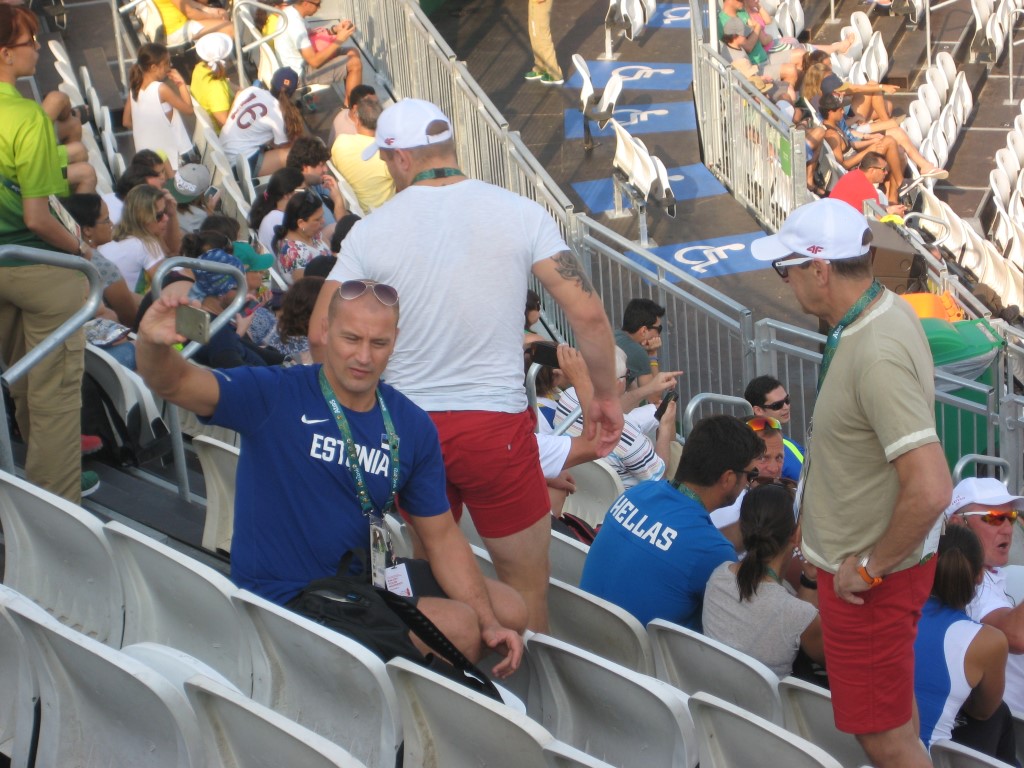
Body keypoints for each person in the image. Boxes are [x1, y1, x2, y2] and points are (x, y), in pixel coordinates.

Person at [309, 98, 623, 633]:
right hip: (495, 429)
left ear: (400, 157)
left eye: (386, 162)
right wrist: (605, 398)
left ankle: (459, 686)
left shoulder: (371, 230)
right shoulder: (520, 210)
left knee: (441, 582)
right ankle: (534, 706)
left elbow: (321, 334)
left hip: (409, 427)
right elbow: (589, 316)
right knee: (526, 588)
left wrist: (357, 409)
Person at [136, 279, 525, 675]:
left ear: (396, 341)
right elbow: (177, 383)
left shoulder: (410, 424)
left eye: (378, 343)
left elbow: (441, 536)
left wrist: (490, 622)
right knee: (458, 627)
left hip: (364, 578)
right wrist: (152, 345)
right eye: (351, 338)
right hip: (289, 597)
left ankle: (408, 690)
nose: (363, 357)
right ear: (325, 330)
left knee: (509, 609)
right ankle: (387, 718)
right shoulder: (277, 394)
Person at [751, 197, 952, 768]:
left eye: (786, 268)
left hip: (867, 583)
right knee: (894, 718)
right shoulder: (881, 314)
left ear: (819, 268)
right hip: (874, 573)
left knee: (881, 738)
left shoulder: (876, 349)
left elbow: (932, 488)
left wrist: (866, 567)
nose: (786, 282)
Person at [0, 5, 97, 501]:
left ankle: (36, 497)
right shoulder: (24, 118)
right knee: (54, 397)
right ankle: (58, 515)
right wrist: (83, 251)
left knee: (22, 386)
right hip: (37, 265)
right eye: (29, 41)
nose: (37, 48)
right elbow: (39, 218)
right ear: (5, 53)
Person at [579, 414, 763, 629]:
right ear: (728, 478)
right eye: (751, 475)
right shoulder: (712, 550)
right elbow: (743, 628)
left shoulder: (636, 494)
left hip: (586, 643)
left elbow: (679, 547)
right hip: (641, 661)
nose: (750, 483)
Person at [703, 482, 824, 679]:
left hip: (713, 699)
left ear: (743, 527)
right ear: (796, 534)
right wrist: (812, 581)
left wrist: (809, 580)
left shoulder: (718, 576)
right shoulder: (797, 613)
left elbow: (790, 617)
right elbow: (831, 660)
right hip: (767, 709)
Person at [914, 524, 1012, 761]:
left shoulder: (885, 614)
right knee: (1000, 715)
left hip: (857, 751)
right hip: (923, 759)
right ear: (979, 576)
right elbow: (982, 712)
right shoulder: (988, 641)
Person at [945, 478, 1024, 714]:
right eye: (993, 517)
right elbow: (1017, 637)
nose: (1007, 529)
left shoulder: (994, 574)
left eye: (1010, 518)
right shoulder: (965, 583)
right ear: (959, 524)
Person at [554, 347, 675, 489]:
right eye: (627, 375)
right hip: (621, 503)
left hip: (577, 495)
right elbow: (659, 477)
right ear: (617, 382)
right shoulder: (628, 436)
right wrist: (665, 427)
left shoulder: (567, 396)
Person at [710, 415, 791, 551]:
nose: (774, 468)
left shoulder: (787, 497)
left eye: (779, 457)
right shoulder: (722, 506)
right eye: (763, 458)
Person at [123, 43, 195, 171]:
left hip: (146, 158)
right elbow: (189, 110)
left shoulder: (135, 88)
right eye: (166, 63)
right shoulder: (161, 89)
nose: (169, 66)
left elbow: (126, 121)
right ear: (154, 67)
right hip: (171, 158)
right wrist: (181, 84)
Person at [220, 68, 303, 177]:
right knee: (292, 154)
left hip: (221, 151)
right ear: (293, 92)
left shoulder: (251, 90)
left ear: (272, 82)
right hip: (239, 166)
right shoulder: (280, 113)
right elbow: (282, 147)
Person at [272, 0, 361, 100]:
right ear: (306, 3)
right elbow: (314, 62)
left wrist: (334, 30)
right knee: (354, 63)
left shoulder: (292, 12)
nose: (319, 8)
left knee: (353, 51)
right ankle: (351, 110)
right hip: (299, 74)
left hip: (300, 62)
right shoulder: (295, 24)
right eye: (317, 4)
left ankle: (349, 103)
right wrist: (339, 40)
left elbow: (312, 37)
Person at [98, 184, 178, 294]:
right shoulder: (146, 244)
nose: (166, 218)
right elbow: (168, 287)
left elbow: (172, 251)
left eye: (166, 212)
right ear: (143, 217)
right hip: (132, 308)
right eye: (159, 216)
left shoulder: (113, 236)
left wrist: (172, 214)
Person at [330, 94, 395, 212]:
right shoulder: (386, 156)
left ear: (357, 120)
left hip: (363, 211)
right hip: (387, 211)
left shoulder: (340, 142)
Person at [743, 374, 804, 482]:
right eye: (777, 405)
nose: (785, 407)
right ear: (758, 410)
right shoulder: (780, 445)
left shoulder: (786, 443)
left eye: (787, 400)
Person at [272, 189, 332, 284]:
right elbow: (307, 289)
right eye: (317, 219)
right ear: (301, 223)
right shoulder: (294, 253)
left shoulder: (312, 233)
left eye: (322, 216)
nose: (323, 221)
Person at [285, 136, 347, 228]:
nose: (325, 169)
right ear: (305, 167)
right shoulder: (304, 202)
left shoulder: (310, 183)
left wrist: (334, 190)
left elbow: (330, 192)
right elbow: (342, 231)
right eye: (321, 165)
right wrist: (338, 201)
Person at [830, 152, 907, 217]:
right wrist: (894, 214)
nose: (886, 172)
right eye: (883, 169)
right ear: (872, 170)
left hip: (833, 216)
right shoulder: (868, 190)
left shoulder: (851, 175)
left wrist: (889, 209)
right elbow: (878, 221)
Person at [249, 166, 304, 253]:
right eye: (303, 190)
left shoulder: (272, 213)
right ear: (287, 194)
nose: (307, 194)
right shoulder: (282, 220)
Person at [615, 298, 664, 391]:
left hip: (582, 398)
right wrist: (652, 354)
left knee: (632, 386)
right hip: (594, 403)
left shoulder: (615, 335)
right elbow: (653, 397)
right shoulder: (638, 353)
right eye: (659, 329)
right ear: (644, 331)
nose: (659, 335)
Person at [190, 32, 235, 127]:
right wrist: (238, 99)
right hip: (227, 133)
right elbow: (225, 124)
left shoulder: (199, 68)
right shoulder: (216, 88)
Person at [151, 0, 232, 46]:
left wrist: (209, 10)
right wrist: (214, 17)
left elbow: (188, 2)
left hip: (181, 21)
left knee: (222, 14)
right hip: (177, 30)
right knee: (229, 27)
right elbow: (191, 13)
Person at [524, 0, 563, 85]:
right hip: (534, 2)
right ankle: (541, 67)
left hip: (541, 2)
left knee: (542, 35)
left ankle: (555, 74)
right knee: (534, 33)